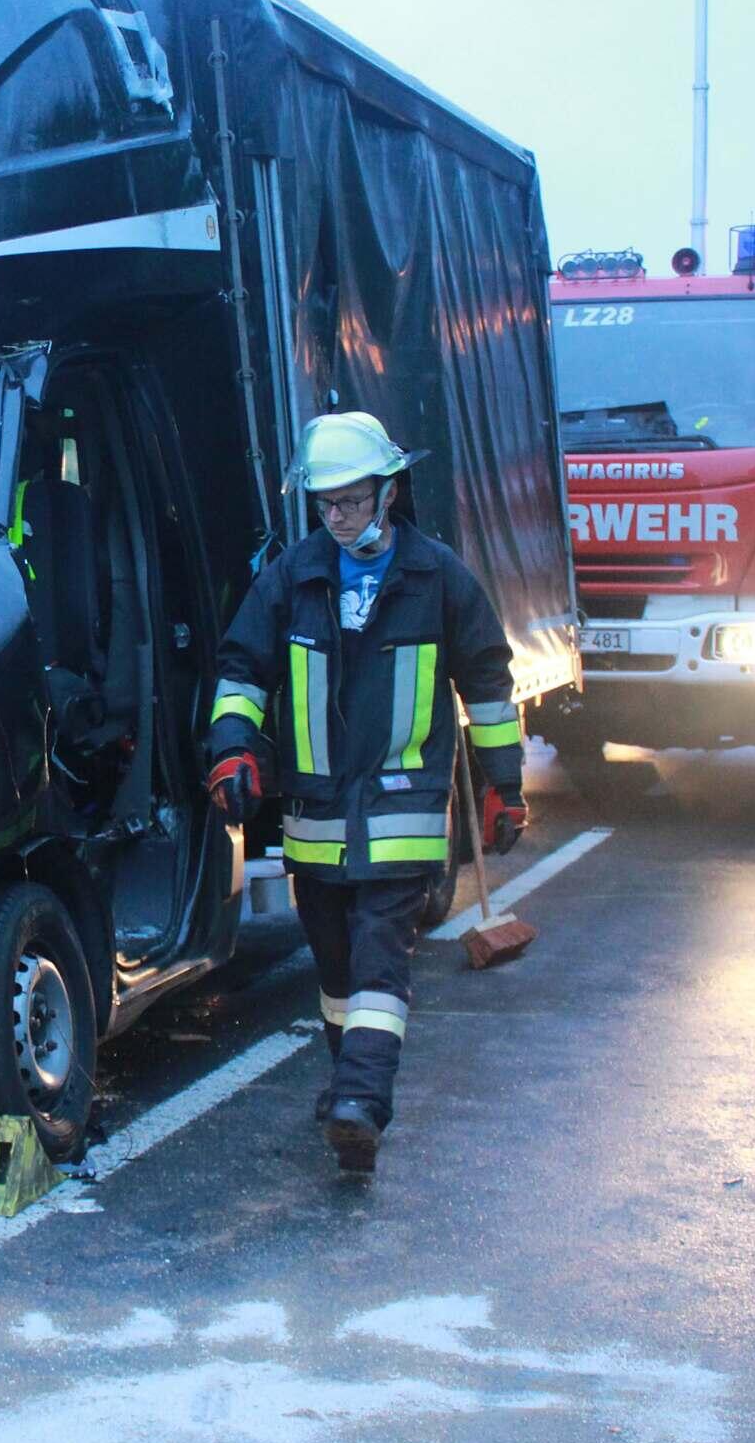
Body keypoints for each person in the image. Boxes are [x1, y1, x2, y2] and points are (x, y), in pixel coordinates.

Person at [204, 412, 525, 1174]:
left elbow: (486, 681)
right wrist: (231, 749)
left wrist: (503, 785)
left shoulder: (436, 575)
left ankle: (362, 1102)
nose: (338, 516)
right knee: (339, 974)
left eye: (350, 500)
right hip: (316, 822)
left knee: (382, 964)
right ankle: (351, 1082)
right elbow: (242, 668)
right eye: (325, 504)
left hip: (404, 811)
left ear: (387, 491)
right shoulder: (294, 574)